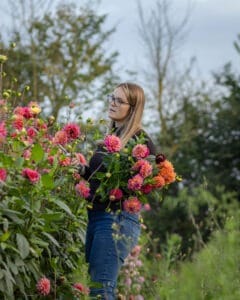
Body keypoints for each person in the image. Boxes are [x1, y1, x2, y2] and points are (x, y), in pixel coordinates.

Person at [75, 82, 156, 299]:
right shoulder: (113, 138)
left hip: (116, 219)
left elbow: (147, 180)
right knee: (97, 289)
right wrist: (81, 169)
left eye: (119, 100)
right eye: (112, 97)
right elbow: (99, 178)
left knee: (101, 290)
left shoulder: (140, 140)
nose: (112, 103)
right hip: (98, 217)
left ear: (133, 107)